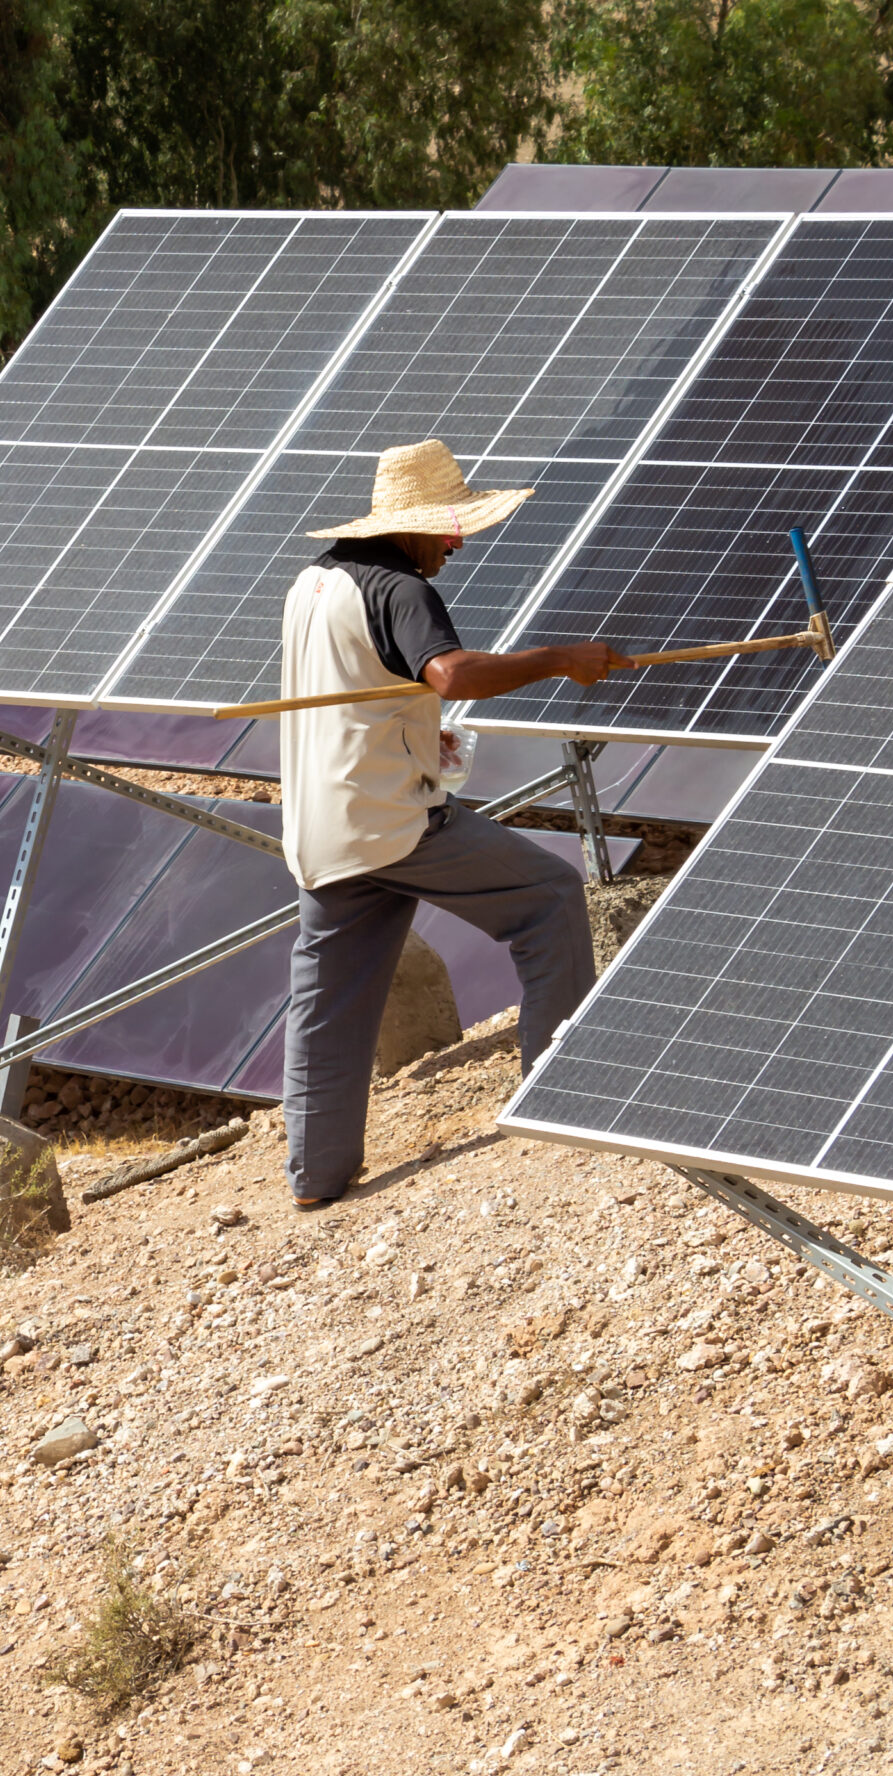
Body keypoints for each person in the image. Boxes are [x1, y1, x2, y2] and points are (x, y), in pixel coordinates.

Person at [278, 438, 627, 1208]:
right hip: (395, 822)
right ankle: (557, 1099)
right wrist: (559, 657)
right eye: (447, 529)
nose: (456, 543)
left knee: (327, 1003)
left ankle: (316, 1176)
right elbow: (452, 674)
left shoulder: (314, 582)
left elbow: (359, 686)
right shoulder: (402, 589)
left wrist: (412, 729)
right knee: (549, 897)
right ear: (410, 528)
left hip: (322, 828)